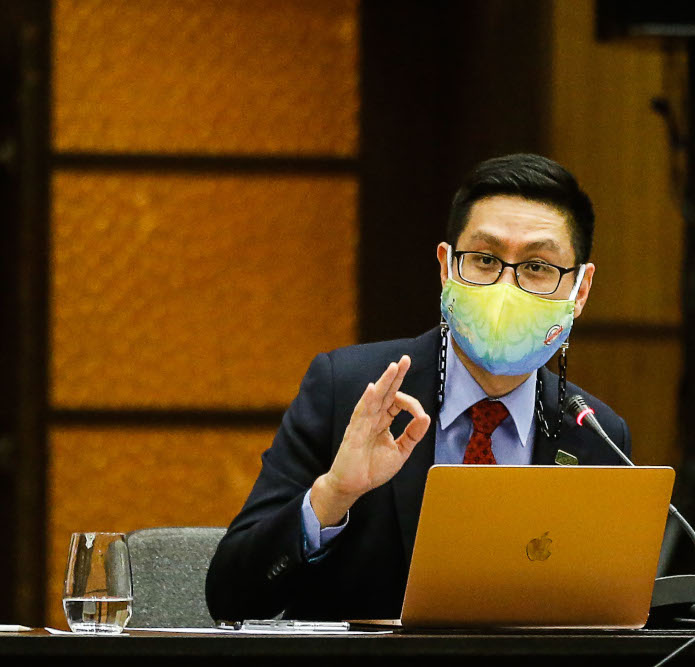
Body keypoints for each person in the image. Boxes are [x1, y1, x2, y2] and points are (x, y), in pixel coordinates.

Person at [205, 153, 632, 622]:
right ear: (447, 267)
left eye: (537, 267)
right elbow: (231, 598)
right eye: (485, 260)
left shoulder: (594, 432)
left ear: (580, 290)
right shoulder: (348, 390)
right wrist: (332, 496)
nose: (505, 286)